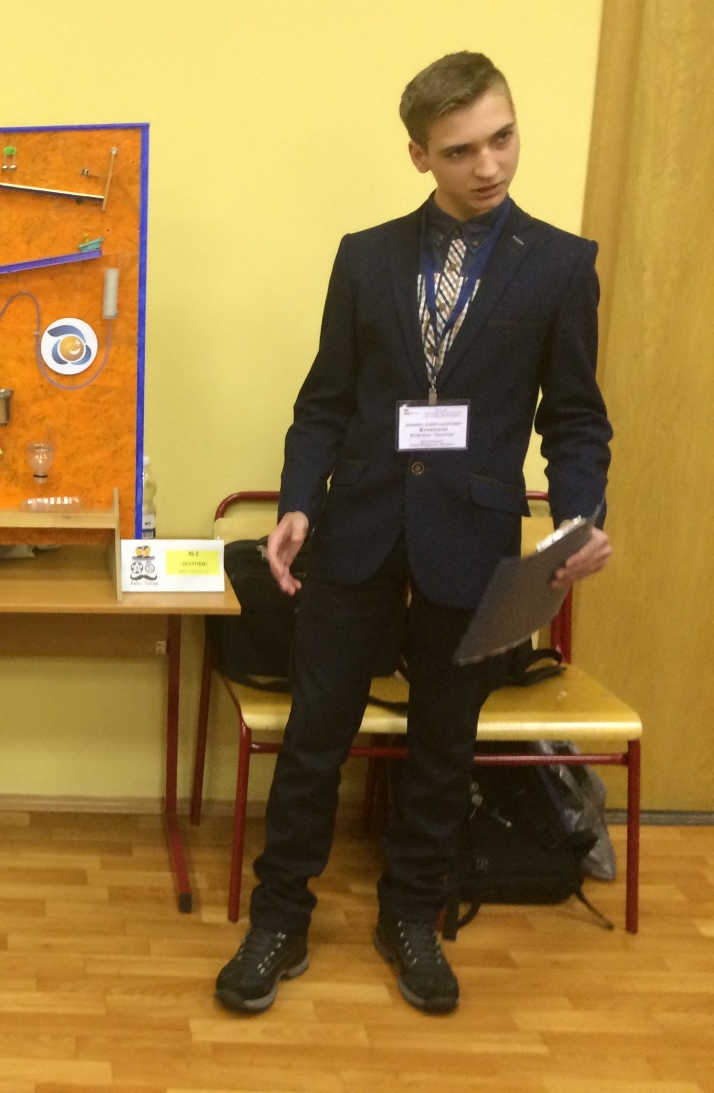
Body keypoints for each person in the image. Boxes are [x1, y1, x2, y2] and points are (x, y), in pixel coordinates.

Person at [214, 52, 613, 1016]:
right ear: (419, 156)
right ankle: (280, 916)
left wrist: (577, 519)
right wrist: (298, 502)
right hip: (357, 527)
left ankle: (412, 914)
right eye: (461, 150)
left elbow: (574, 419)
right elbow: (324, 403)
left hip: (472, 539)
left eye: (502, 138)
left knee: (445, 742)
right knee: (316, 734)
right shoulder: (368, 257)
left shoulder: (561, 266)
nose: (489, 165)